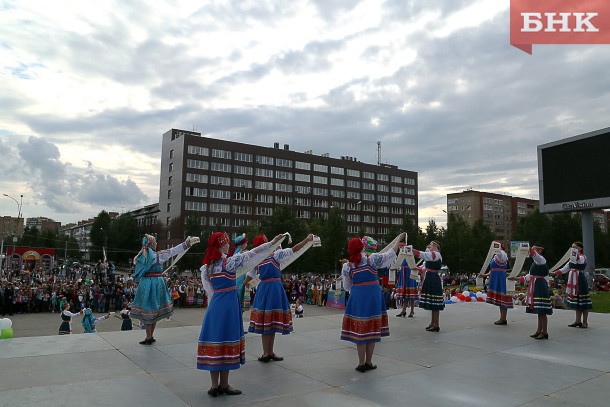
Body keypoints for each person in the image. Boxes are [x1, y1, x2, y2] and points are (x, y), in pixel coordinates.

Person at [198, 231, 285, 397]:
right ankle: (224, 384)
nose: (229, 245)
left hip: (216, 305)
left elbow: (209, 290)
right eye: (226, 243)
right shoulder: (230, 262)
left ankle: (214, 385)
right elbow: (253, 253)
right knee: (228, 340)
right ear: (221, 245)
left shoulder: (207, 267)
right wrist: (273, 242)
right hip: (229, 305)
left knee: (216, 340)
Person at [244, 233, 315, 363]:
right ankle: (267, 352)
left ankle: (268, 352)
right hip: (274, 289)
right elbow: (294, 249)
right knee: (269, 322)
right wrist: (307, 239)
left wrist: (245, 283)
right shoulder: (275, 255)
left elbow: (248, 276)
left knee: (267, 322)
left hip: (264, 289)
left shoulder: (257, 260)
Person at [341, 233, 404, 373]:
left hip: (357, 296)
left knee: (360, 330)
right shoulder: (372, 259)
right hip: (373, 295)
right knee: (372, 328)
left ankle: (361, 363)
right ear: (362, 247)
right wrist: (399, 238)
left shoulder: (347, 266)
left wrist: (358, 288)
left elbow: (347, 287)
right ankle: (369, 362)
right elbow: (391, 253)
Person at [131, 234, 199, 345]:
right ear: (152, 244)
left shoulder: (141, 257)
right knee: (154, 309)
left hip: (145, 283)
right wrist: (186, 244)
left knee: (148, 309)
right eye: (155, 242)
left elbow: (138, 272)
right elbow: (173, 251)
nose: (157, 244)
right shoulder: (157, 256)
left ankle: (149, 336)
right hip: (157, 282)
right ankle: (149, 336)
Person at [510, 245, 552, 340]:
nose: (533, 251)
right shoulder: (535, 262)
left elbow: (534, 255)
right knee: (539, 310)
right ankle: (539, 330)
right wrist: (517, 278)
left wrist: (526, 247)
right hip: (536, 285)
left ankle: (544, 332)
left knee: (542, 311)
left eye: (536, 248)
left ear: (541, 250)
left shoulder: (541, 260)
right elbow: (529, 276)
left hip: (540, 285)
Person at [554, 242, 592, 328]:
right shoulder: (572, 259)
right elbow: (565, 269)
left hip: (580, 279)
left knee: (584, 302)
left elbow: (579, 260)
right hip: (573, 280)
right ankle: (577, 321)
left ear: (580, 248)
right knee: (576, 301)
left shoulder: (583, 257)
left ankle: (585, 322)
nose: (573, 249)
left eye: (575, 247)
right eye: (572, 248)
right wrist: (554, 272)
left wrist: (575, 253)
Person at [412, 240, 444, 332]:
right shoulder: (432, 256)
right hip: (430, 278)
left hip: (432, 279)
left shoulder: (436, 254)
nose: (430, 245)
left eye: (433, 244)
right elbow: (424, 267)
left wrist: (412, 250)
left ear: (437, 247)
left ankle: (436, 324)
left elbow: (424, 255)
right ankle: (433, 323)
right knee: (433, 303)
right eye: (430, 244)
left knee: (435, 303)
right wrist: (415, 268)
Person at [479, 243, 512, 325]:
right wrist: (484, 275)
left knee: (502, 296)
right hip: (496, 277)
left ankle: (503, 318)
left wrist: (497, 249)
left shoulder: (502, 254)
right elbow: (493, 269)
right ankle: (502, 318)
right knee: (501, 297)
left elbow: (501, 255)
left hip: (499, 278)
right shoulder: (496, 256)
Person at [395, 246, 419, 317]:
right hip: (403, 275)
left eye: (401, 248)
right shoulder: (400, 256)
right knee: (405, 293)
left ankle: (411, 311)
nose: (400, 250)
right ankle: (404, 310)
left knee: (410, 292)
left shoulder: (409, 255)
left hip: (409, 274)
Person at [228, 234, 249, 311]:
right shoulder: (238, 254)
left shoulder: (237, 253)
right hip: (239, 278)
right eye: (245, 243)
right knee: (239, 295)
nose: (246, 245)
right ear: (241, 244)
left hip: (241, 277)